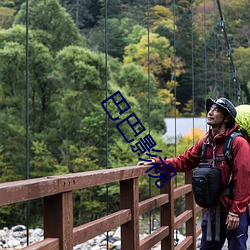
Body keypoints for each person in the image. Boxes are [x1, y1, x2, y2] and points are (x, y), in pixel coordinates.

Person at [138, 97, 250, 250]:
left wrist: (236, 212)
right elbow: (184, 161)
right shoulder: (205, 143)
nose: (210, 112)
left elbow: (244, 178)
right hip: (213, 210)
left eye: (216, 110)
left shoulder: (238, 143)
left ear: (227, 118)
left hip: (233, 210)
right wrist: (158, 163)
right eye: (210, 109)